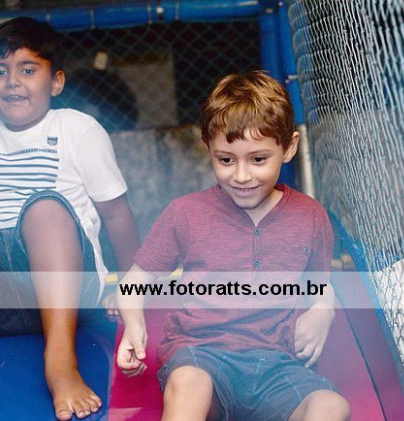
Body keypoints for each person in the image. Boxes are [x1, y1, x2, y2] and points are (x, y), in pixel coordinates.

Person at [0, 16, 139, 420]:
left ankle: (60, 361)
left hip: (67, 288)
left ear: (56, 82)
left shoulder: (77, 129)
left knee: (44, 205)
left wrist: (133, 284)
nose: (12, 82)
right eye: (0, 71)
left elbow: (116, 214)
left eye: (28, 70)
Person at [116, 71, 350, 421]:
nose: (241, 176)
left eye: (258, 159)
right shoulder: (186, 213)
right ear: (207, 147)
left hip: (276, 365)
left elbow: (319, 284)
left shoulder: (310, 217)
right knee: (189, 383)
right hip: (201, 356)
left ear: (288, 148)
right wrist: (134, 326)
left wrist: (322, 311)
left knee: (332, 407)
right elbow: (134, 282)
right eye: (226, 160)